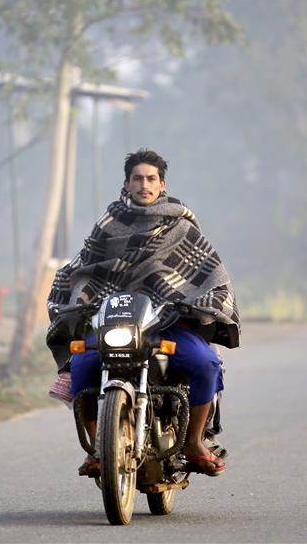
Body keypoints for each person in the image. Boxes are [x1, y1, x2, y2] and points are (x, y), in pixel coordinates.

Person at [45, 148, 240, 478]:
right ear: (127, 183)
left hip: (168, 321)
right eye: (137, 179)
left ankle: (193, 442)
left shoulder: (181, 225)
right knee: (82, 366)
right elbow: (87, 268)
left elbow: (207, 272)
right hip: (117, 321)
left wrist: (199, 301)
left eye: (151, 179)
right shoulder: (109, 225)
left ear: (162, 184)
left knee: (204, 364)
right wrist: (76, 294)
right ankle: (98, 448)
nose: (144, 185)